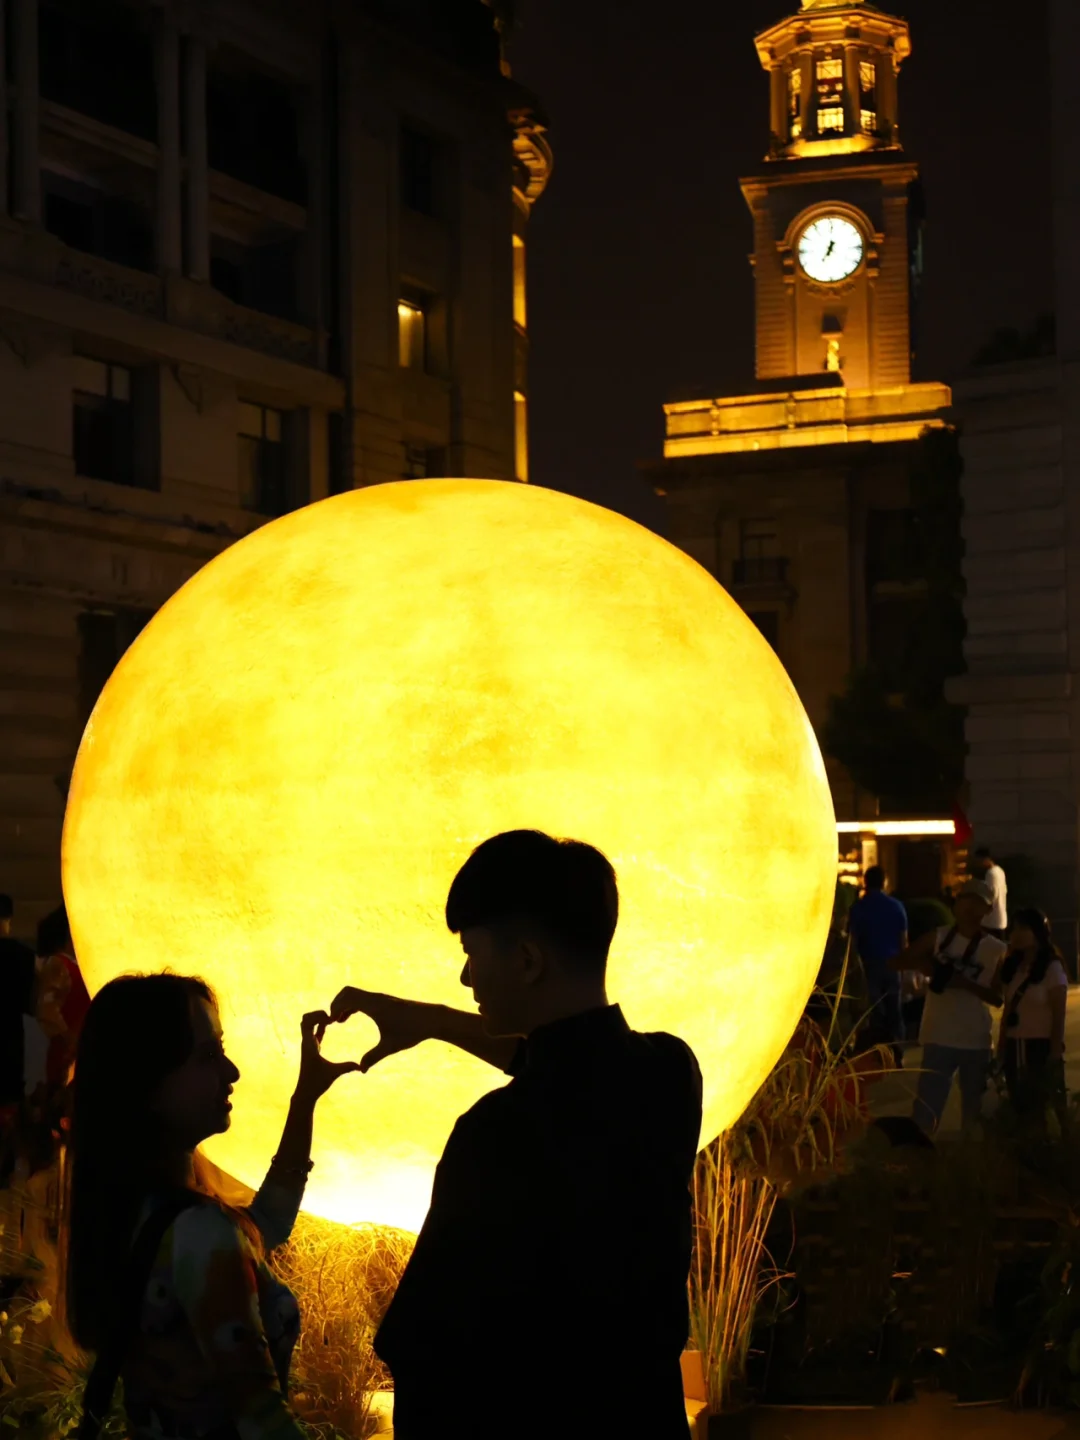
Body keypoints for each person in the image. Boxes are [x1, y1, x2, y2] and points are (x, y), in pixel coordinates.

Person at [331, 829, 703, 1440]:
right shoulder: (669, 1074)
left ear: (527, 961)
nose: (465, 978)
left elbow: (428, 1351)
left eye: (474, 955)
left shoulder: (494, 1134)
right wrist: (429, 1022)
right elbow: (573, 1066)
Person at [65, 973, 361, 1440]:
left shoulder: (128, 1212)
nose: (232, 1071)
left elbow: (263, 1227)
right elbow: (262, 1421)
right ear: (148, 1084)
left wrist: (305, 1097)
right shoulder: (199, 1232)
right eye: (208, 1055)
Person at [890, 879, 1006, 1134]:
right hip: (938, 1035)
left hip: (976, 1039)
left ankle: (969, 1163)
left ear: (988, 910)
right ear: (955, 903)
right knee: (926, 1110)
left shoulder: (996, 949)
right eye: (965, 900)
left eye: (978, 903)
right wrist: (927, 967)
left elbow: (998, 998)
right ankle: (918, 1159)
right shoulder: (939, 937)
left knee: (975, 1113)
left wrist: (962, 983)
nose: (969, 908)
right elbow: (898, 961)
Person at [996, 907, 1069, 1127]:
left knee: (1042, 1107)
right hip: (1014, 1046)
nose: (1016, 934)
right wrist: (1001, 1046)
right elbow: (1007, 1010)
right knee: (1019, 1106)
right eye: (1014, 928)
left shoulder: (1052, 969)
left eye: (1024, 928)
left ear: (1039, 931)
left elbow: (1059, 1017)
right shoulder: (1015, 969)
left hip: (1040, 1048)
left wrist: (1055, 1052)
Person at [846, 866, 908, 1062]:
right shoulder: (896, 906)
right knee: (894, 1009)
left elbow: (853, 942)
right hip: (893, 964)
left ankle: (879, 1056)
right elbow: (903, 940)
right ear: (884, 882)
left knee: (874, 1011)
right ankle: (898, 1053)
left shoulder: (859, 908)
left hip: (868, 964)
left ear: (865, 882)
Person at [36, 904, 91, 1088]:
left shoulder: (79, 965)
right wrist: (68, 1038)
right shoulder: (59, 964)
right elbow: (47, 1009)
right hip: (68, 1050)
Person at [973, 846, 1008, 939]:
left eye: (979, 860)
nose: (978, 864)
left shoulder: (990, 873)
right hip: (1001, 919)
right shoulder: (1000, 871)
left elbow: (991, 895)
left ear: (986, 859)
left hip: (991, 922)